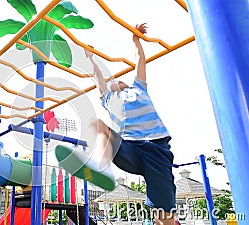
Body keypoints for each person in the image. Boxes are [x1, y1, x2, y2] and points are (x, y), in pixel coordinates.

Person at [55, 23, 176, 225]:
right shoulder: (109, 99)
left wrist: (135, 40)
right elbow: (98, 77)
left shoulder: (139, 88)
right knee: (99, 125)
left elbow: (140, 60)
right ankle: (99, 168)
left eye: (121, 79)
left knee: (164, 215)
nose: (118, 80)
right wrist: (90, 58)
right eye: (115, 81)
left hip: (156, 149)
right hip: (129, 148)